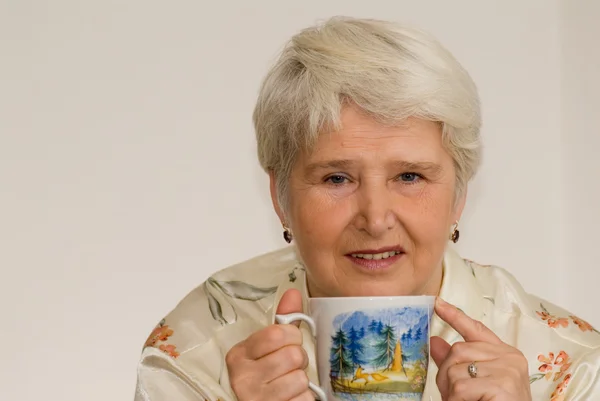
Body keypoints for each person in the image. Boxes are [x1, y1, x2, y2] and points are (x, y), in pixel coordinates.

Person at [133, 16, 600, 401]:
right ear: (281, 199)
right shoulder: (197, 349)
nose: (376, 219)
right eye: (337, 178)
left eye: (409, 176)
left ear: (458, 196)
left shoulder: (571, 366)